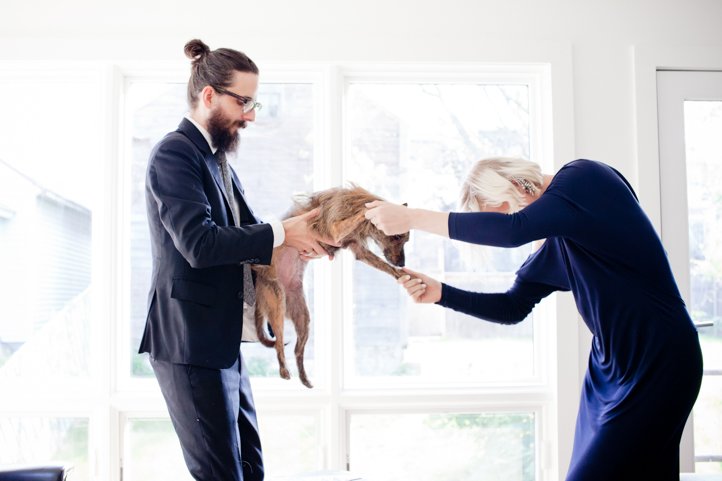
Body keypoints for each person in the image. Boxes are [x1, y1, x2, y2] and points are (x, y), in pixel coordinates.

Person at [365, 157, 703, 481]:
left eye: (507, 211)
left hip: (660, 357)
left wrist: (412, 219)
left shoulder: (585, 178)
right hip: (608, 370)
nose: (513, 219)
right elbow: (512, 307)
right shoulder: (556, 245)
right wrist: (441, 294)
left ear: (515, 184)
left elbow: (513, 231)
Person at [139, 39, 330, 481]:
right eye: (243, 102)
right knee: (221, 474)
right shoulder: (175, 154)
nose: (251, 115)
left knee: (250, 469)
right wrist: (282, 233)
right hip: (189, 344)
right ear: (208, 96)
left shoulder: (216, 159)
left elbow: (245, 235)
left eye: (253, 102)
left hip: (219, 344)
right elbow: (200, 245)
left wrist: (299, 240)